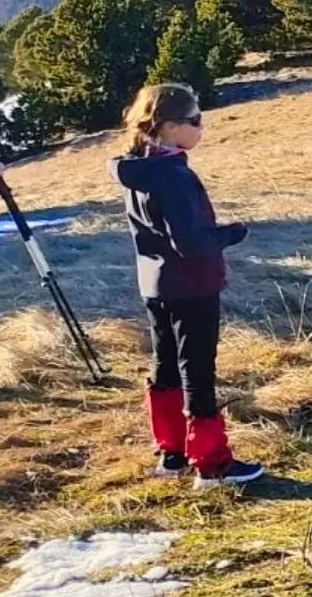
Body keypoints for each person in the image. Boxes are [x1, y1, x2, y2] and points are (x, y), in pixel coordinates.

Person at [108, 84, 263, 489]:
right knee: (197, 369)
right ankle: (212, 464)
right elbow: (191, 242)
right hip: (191, 284)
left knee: (165, 367)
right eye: (196, 120)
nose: (202, 128)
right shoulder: (173, 175)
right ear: (171, 127)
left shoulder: (136, 167)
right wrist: (232, 233)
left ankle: (172, 453)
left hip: (155, 284)